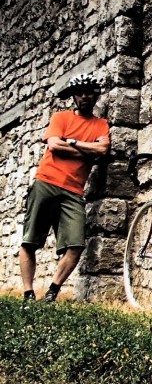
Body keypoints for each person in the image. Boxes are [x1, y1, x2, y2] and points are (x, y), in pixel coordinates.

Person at [19, 73, 110, 303]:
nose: (84, 96)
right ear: (73, 97)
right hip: (46, 182)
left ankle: (52, 291)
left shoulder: (101, 124)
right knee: (30, 241)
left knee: (76, 244)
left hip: (74, 191)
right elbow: (54, 144)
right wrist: (85, 148)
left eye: (88, 91)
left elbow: (102, 151)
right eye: (79, 93)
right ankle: (28, 293)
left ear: (95, 94)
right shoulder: (60, 117)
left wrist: (70, 142)